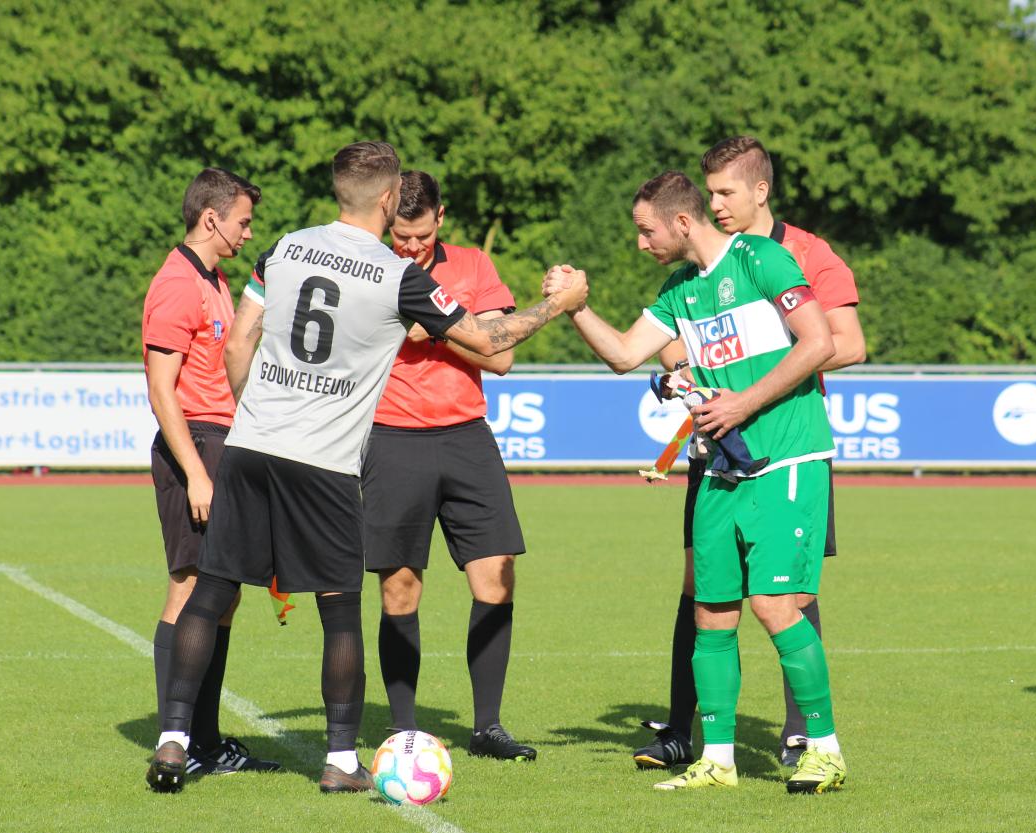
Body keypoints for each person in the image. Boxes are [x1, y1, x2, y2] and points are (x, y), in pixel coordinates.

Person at [145, 141, 587, 794]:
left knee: (210, 593)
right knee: (340, 611)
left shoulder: (285, 248)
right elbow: (490, 341)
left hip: (253, 442)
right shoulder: (397, 275)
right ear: (388, 199)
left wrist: (259, 413)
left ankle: (173, 740)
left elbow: (240, 341)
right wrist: (561, 304)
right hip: (324, 461)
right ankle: (341, 761)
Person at [542, 170, 847, 794]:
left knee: (773, 606)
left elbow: (819, 342)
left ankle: (825, 748)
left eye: (645, 230)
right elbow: (627, 355)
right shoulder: (681, 290)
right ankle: (719, 760)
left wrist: (742, 403)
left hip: (786, 459)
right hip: (721, 466)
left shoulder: (764, 259)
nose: (640, 243)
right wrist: (574, 309)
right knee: (711, 613)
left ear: (681, 223)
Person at [633, 135, 865, 771]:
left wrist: (750, 377)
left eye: (725, 192)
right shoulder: (696, 270)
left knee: (785, 593)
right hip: (718, 448)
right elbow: (673, 341)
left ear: (760, 191)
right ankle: (695, 737)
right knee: (706, 589)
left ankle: (805, 736)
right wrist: (695, 365)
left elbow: (842, 343)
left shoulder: (801, 253)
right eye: (708, 192)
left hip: (784, 444)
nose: (714, 203)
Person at [364, 171, 536, 761]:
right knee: (400, 588)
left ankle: (487, 727)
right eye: (399, 235)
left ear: (441, 217)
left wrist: (435, 331)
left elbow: (502, 354)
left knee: (497, 575)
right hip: (390, 440)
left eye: (417, 235)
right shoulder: (370, 267)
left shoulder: (474, 267)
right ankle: (404, 729)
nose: (408, 247)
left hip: (466, 437)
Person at [141, 167, 279, 776]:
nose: (248, 232)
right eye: (244, 221)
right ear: (212, 218)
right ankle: (180, 739)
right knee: (190, 588)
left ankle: (205, 740)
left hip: (222, 443)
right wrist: (196, 471)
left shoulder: (214, 280)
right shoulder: (176, 283)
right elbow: (161, 389)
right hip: (194, 444)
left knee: (221, 598)